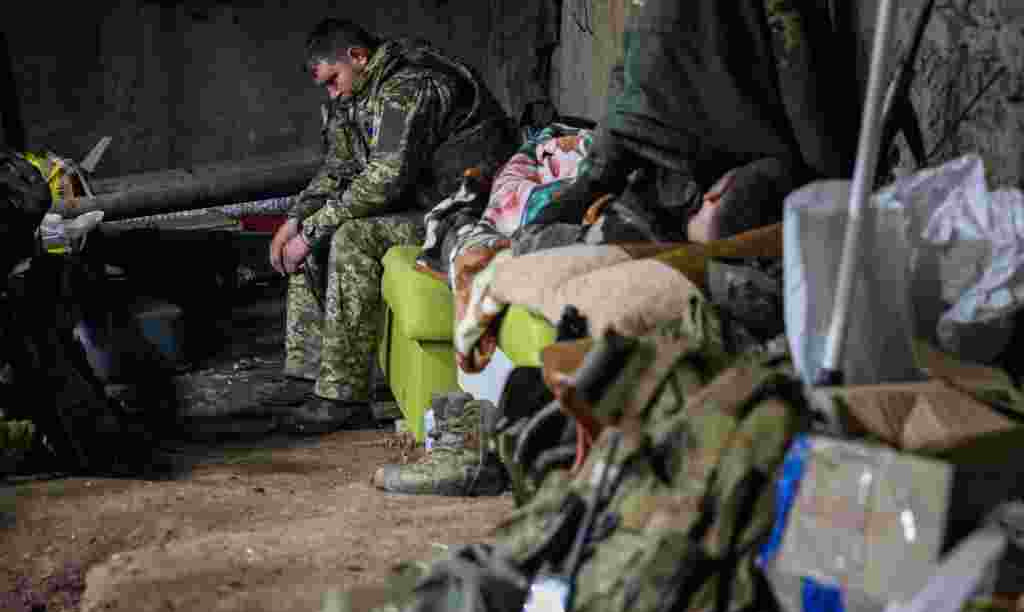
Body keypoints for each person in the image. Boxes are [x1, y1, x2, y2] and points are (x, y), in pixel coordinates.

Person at [268, 19, 517, 432]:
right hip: (421, 205)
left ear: (358, 57)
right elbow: (339, 167)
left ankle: (342, 396)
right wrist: (296, 221)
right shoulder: (358, 91)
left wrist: (314, 230)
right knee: (315, 231)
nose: (334, 93)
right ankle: (309, 376)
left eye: (334, 81)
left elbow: (385, 179)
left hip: (461, 212)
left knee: (349, 235)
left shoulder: (411, 86)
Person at [531, 0, 862, 241]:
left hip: (676, 159)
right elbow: (799, 72)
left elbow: (627, 76)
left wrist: (831, 181)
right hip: (674, 158)